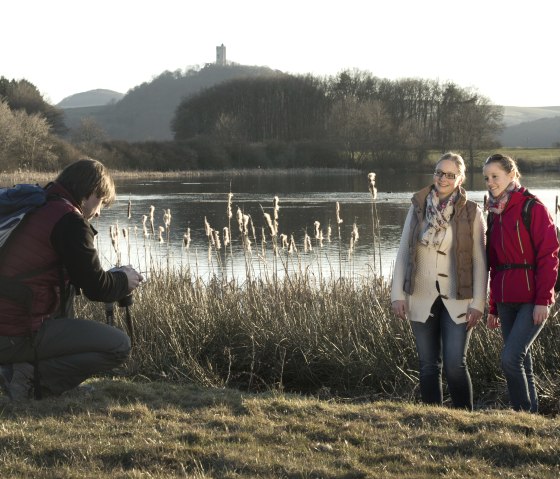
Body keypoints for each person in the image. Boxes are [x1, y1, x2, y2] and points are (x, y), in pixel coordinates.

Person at [0, 158, 143, 401]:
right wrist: (123, 280)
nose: (97, 213)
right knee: (118, 345)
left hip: (10, 323)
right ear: (91, 194)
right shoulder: (69, 221)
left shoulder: (40, 204)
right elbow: (97, 289)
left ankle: (19, 372)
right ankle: (24, 380)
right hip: (14, 333)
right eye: (101, 203)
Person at [391, 152, 487, 410]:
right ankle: (433, 419)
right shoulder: (418, 205)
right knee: (428, 366)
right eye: (438, 172)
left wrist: (479, 302)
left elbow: (480, 261)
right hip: (419, 295)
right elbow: (403, 252)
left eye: (449, 174)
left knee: (456, 364)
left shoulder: (472, 212)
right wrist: (397, 295)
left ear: (460, 178)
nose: (442, 178)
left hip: (459, 298)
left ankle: (464, 419)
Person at [483, 153, 559, 413]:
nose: (490, 182)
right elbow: (493, 264)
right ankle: (529, 417)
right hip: (505, 300)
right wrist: (493, 307)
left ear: (512, 175)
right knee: (521, 359)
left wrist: (543, 301)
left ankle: (521, 412)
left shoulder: (532, 207)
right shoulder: (494, 213)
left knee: (510, 358)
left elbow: (550, 257)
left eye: (495, 176)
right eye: (487, 178)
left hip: (531, 299)